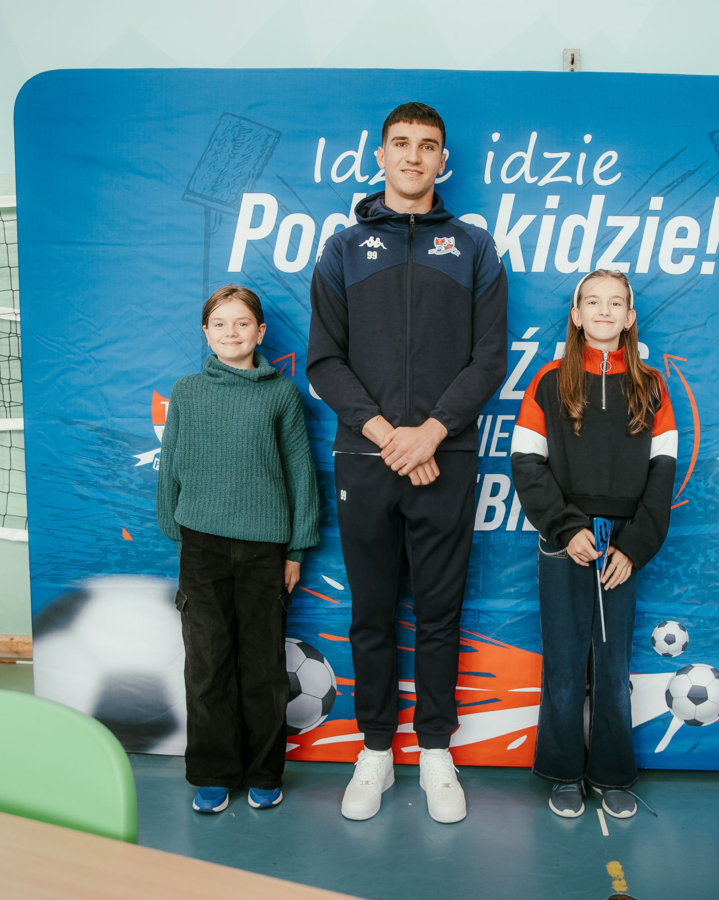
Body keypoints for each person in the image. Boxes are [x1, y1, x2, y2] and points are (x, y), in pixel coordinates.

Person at [307, 102, 508, 824]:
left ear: (442, 161)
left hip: (445, 458)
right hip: (366, 458)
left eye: (427, 146)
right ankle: (374, 752)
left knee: (439, 614)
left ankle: (434, 753)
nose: (414, 156)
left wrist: (431, 433)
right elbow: (324, 362)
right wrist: (392, 436)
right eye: (401, 144)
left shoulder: (476, 248)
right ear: (381, 155)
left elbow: (489, 358)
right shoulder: (341, 249)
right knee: (370, 613)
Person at [510, 269, 678, 820]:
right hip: (565, 542)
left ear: (630, 318)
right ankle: (563, 771)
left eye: (616, 303)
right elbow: (526, 462)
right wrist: (565, 528)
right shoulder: (549, 381)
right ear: (576, 315)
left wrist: (634, 546)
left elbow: (662, 470)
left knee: (611, 667)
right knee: (563, 664)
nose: (604, 311)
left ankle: (612, 773)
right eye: (593, 302)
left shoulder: (651, 386)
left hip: (620, 547)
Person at [157, 284, 320, 814]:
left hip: (264, 550)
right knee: (208, 663)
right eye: (221, 323)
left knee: (262, 666)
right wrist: (177, 528)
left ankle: (264, 772)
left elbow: (300, 472)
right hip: (201, 547)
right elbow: (171, 462)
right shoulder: (186, 392)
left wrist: (296, 549)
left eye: (242, 322)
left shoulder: (280, 395)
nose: (232, 332)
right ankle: (214, 772)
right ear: (206, 333)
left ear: (260, 332)